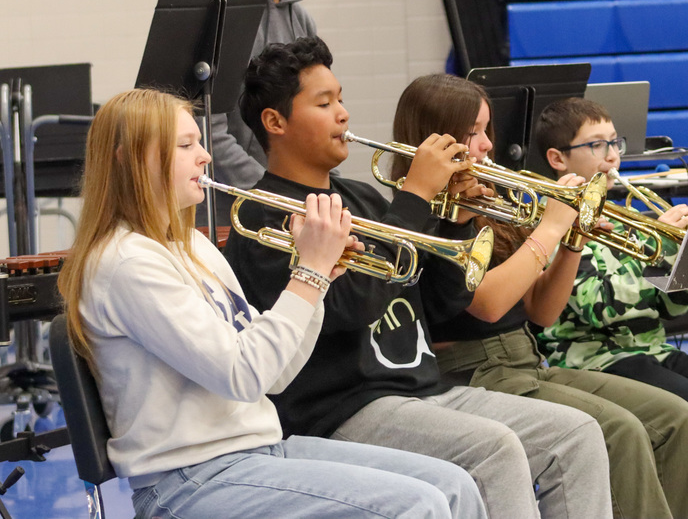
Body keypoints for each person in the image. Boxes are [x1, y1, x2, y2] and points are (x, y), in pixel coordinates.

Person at [223, 37, 613, 519]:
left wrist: (458, 219)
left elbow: (439, 302)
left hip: (423, 389)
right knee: (493, 450)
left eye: (341, 98)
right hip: (341, 409)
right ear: (275, 122)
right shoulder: (264, 214)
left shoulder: (363, 197)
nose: (343, 114)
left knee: (576, 435)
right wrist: (414, 198)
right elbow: (353, 307)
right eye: (324, 104)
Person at [56, 88, 486, 519]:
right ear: (129, 159)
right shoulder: (127, 263)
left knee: (454, 486)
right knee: (418, 505)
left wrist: (320, 279)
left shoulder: (193, 246)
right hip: (189, 478)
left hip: (257, 450)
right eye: (185, 146)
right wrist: (309, 273)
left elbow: (274, 376)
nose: (205, 156)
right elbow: (243, 375)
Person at [392, 73, 688, 519]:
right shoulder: (417, 216)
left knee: (677, 417)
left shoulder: (486, 199)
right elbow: (488, 305)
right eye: (472, 132)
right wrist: (553, 227)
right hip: (471, 372)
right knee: (620, 431)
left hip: (525, 360)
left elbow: (541, 312)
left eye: (487, 129)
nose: (487, 144)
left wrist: (574, 241)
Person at [532, 94, 688, 519]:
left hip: (649, 349)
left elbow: (669, 310)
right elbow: (600, 308)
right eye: (596, 145)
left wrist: (683, 262)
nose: (612, 156)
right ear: (558, 158)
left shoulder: (623, 211)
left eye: (615, 142)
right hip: (593, 360)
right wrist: (656, 248)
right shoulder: (554, 222)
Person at [210, 0, 322, 202]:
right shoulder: (216, 11)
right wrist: (274, 195)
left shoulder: (302, 21)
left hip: (288, 202)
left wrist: (329, 190)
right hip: (229, 209)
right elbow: (208, 134)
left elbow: (315, 118)